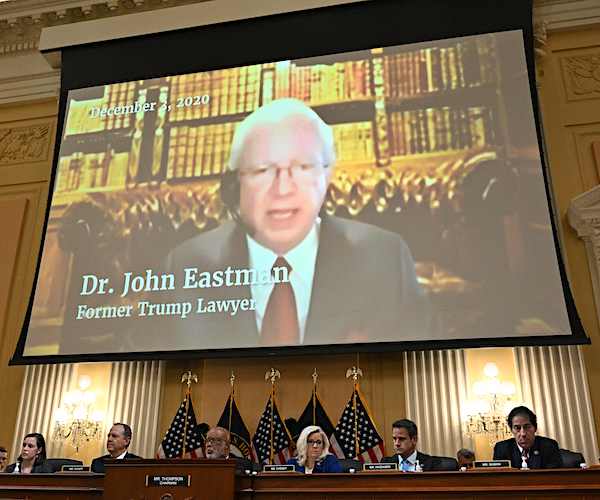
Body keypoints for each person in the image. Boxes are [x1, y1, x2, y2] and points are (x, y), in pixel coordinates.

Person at [162, 98, 429, 350]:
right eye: (262, 170)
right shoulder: (184, 265)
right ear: (236, 184)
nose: (283, 189)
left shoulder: (386, 258)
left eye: (302, 167)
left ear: (327, 175)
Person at [493, 406, 562, 469]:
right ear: (511, 430)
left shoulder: (549, 446)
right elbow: (499, 478)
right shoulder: (501, 449)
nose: (523, 433)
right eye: (517, 428)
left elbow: (553, 477)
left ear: (535, 428)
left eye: (527, 427)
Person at [382, 419, 457, 471]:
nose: (397, 443)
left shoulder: (430, 463)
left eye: (401, 439)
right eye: (395, 439)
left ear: (414, 440)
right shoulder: (385, 463)